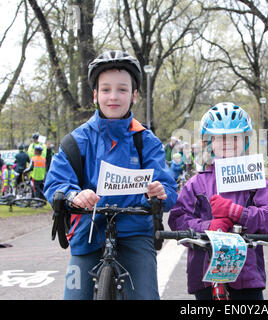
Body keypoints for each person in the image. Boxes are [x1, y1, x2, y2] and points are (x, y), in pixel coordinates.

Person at [44, 50, 178, 300]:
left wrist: (160, 193)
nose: (113, 96)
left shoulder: (146, 141)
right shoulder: (76, 140)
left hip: (135, 231)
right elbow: (55, 184)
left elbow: (169, 191)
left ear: (134, 95)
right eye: (105, 90)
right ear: (95, 95)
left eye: (122, 89)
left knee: (146, 296)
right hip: (89, 229)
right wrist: (74, 195)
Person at [168, 102, 268, 300]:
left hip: (246, 276)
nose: (227, 142)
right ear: (209, 141)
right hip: (205, 274)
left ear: (245, 140)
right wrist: (208, 226)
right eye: (220, 137)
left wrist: (240, 213)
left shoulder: (255, 180)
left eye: (234, 137)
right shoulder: (197, 183)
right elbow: (178, 219)